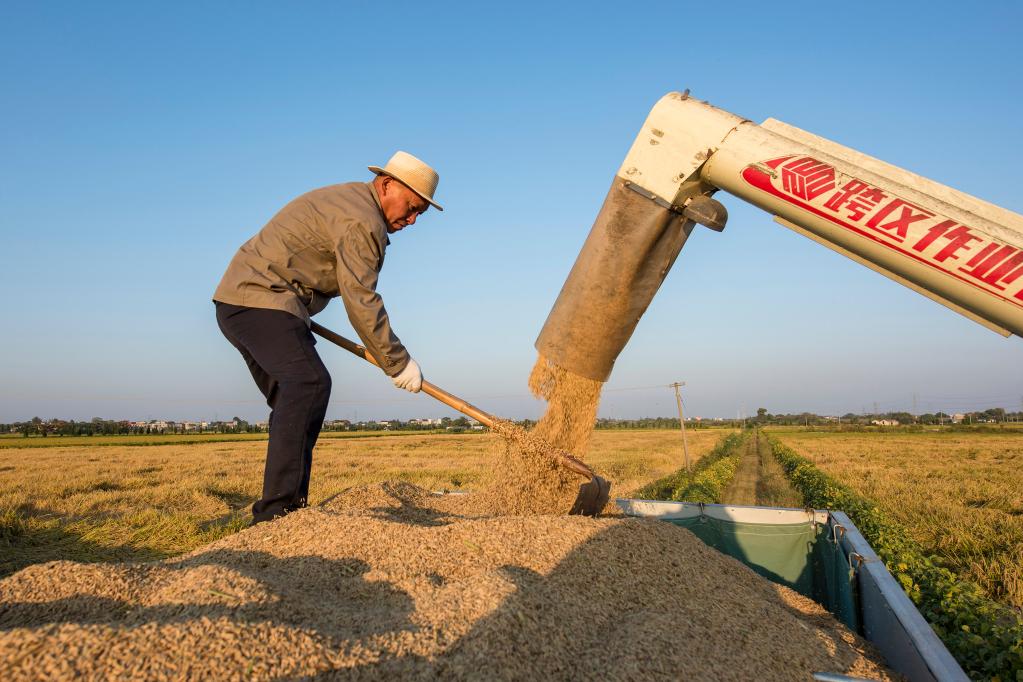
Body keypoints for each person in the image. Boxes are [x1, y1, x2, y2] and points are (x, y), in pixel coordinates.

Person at [212, 151, 442, 524]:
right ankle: (277, 514)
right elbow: (360, 299)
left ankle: (289, 510)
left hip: (246, 302)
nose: (413, 219)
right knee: (309, 384)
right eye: (412, 207)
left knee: (297, 399)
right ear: (386, 185)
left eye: (421, 214)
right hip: (260, 300)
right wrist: (397, 362)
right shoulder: (362, 220)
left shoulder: (353, 203)